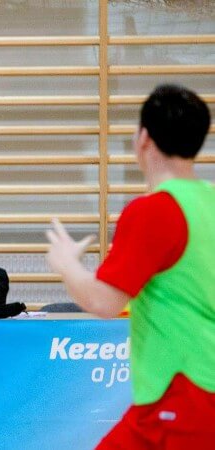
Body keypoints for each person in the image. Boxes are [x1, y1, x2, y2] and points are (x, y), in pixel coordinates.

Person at [46, 84, 214, 449]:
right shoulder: (210, 202)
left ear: (143, 138)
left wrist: (67, 264)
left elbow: (104, 302)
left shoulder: (154, 210)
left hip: (182, 394)